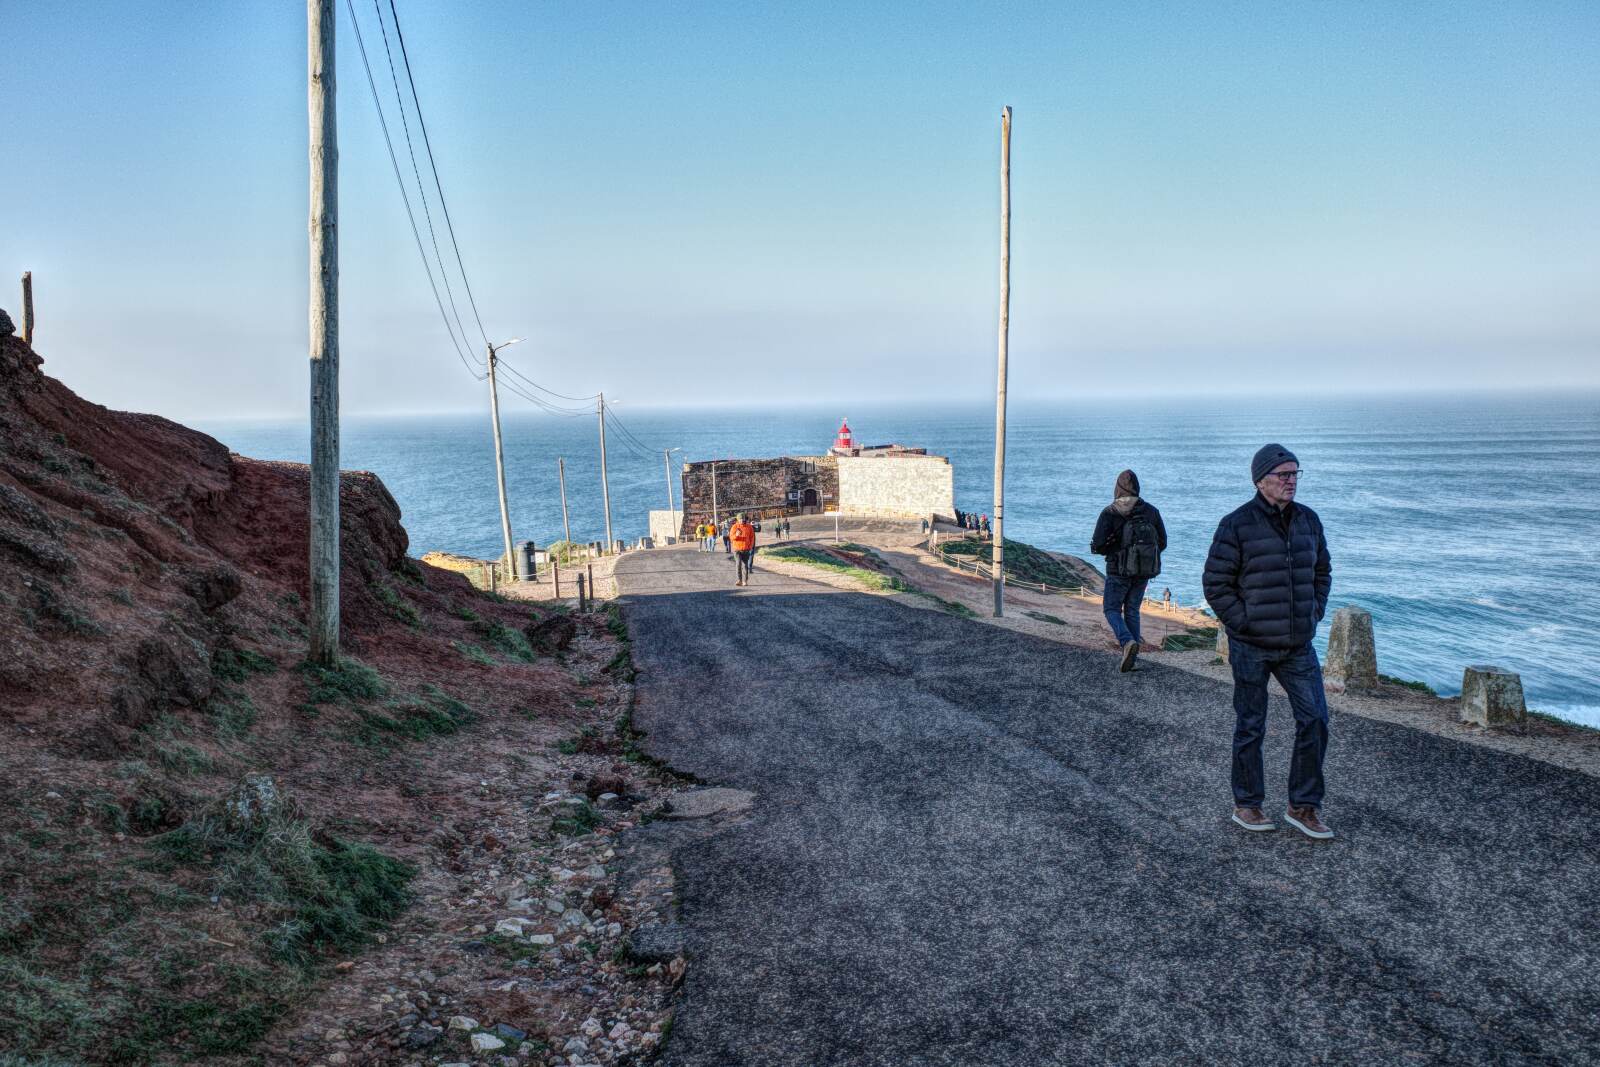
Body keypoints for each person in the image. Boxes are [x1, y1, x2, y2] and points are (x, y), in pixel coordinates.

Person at [1203, 444, 1333, 840]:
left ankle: (1303, 806)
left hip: (1297, 644)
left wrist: (1314, 614)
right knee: (1251, 725)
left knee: (1315, 719)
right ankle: (1248, 804)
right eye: (1283, 475)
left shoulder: (1309, 521)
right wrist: (1244, 624)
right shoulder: (1236, 524)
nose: (1291, 481)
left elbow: (1323, 572)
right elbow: (1216, 583)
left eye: (1295, 474)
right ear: (1261, 480)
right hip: (1250, 644)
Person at [1090, 469, 1167, 673]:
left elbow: (1097, 544)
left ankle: (1127, 643)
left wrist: (1113, 549)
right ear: (1138, 488)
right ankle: (1133, 655)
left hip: (1117, 569)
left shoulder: (1110, 512)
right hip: (1143, 571)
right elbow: (1163, 543)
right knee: (1132, 610)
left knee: (1111, 609)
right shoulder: (1151, 511)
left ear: (1117, 488)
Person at [730, 514, 757, 586]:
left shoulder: (749, 527)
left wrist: (750, 546)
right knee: (738, 564)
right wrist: (736, 535)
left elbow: (752, 538)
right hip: (737, 549)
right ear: (737, 520)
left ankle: (745, 581)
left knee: (745, 565)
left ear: (745, 519)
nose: (742, 520)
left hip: (746, 549)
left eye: (743, 519)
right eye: (740, 519)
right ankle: (739, 580)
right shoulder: (734, 527)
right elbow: (731, 538)